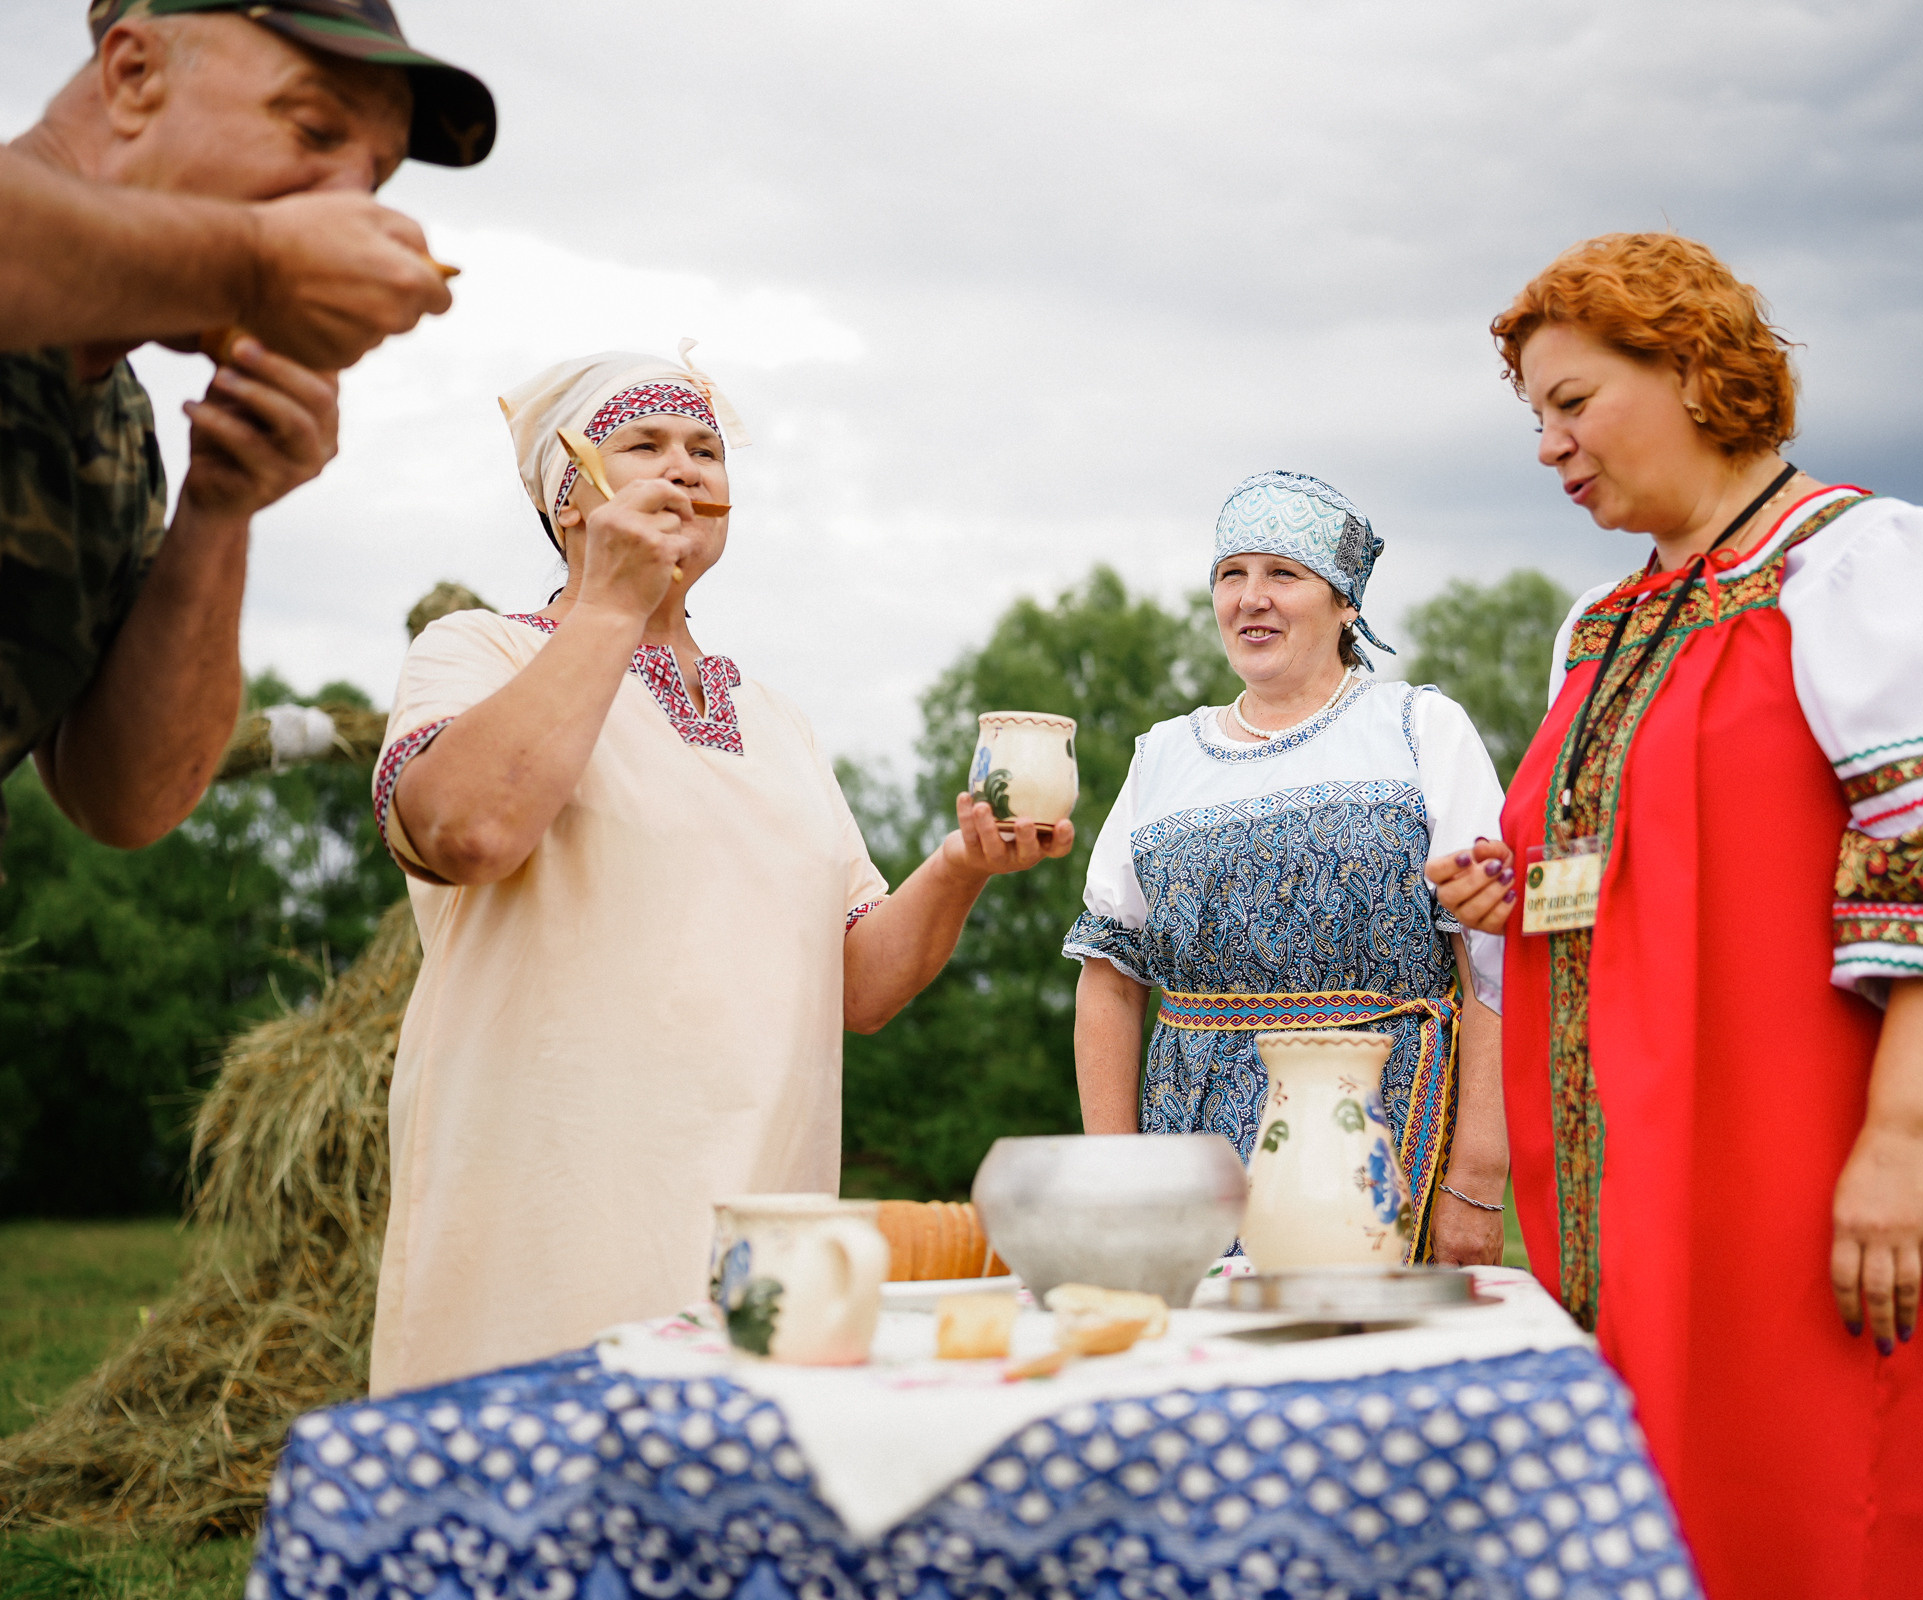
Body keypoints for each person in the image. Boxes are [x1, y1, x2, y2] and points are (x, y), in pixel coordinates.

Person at [1431, 234, 1923, 1598]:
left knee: (1847, 1501)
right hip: (1641, 1177)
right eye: (1532, 415)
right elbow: (1624, 876)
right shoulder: (1600, 627)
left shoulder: (1865, 566)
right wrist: (1515, 889)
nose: (1547, 443)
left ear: (1688, 370)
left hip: (1815, 1158)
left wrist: (1904, 1145)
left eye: (1572, 401)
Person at [367, 349, 1074, 1394]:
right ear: (572, 500)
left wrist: (961, 863)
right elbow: (466, 831)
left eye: (705, 449)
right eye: (642, 446)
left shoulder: (778, 722)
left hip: (756, 1231)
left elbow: (862, 983)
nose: (686, 467)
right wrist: (610, 607)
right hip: (548, 1219)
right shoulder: (477, 653)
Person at [0, 0, 488, 864]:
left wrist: (221, 508)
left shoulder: (117, 432)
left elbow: (125, 798)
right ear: (132, 77)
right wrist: (256, 261)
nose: (346, 206)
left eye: (372, 182)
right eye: (311, 128)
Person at [1068, 471, 1510, 1265]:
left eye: (1283, 574)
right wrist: (1118, 1175)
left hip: (1377, 1133)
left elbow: (1490, 963)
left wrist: (1476, 1180)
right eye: (1231, 575)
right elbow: (1109, 975)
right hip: (1191, 1147)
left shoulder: (1418, 731)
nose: (1251, 598)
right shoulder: (1164, 756)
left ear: (1346, 602)